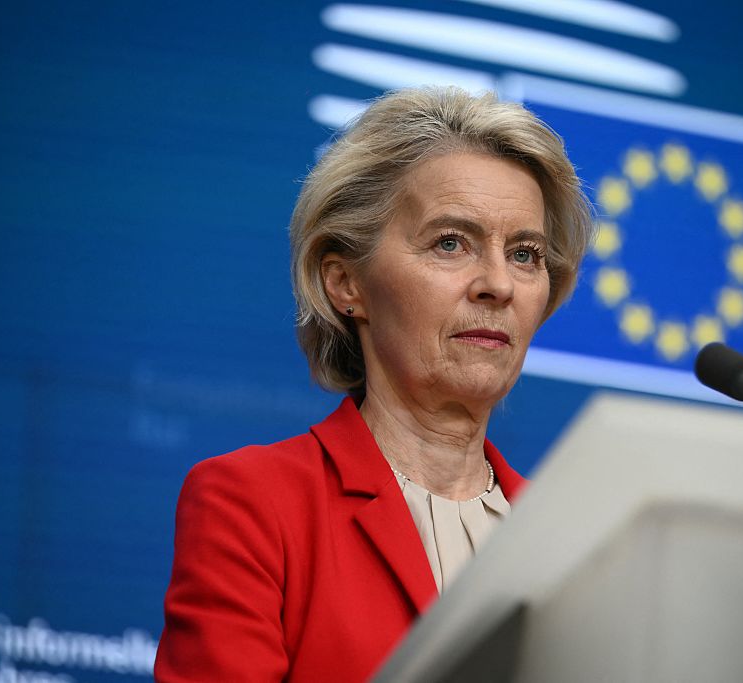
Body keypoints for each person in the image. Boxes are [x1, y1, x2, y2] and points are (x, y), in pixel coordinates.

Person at [154, 86, 592, 682]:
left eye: (524, 254)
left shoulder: (575, 541)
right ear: (345, 284)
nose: (499, 284)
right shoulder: (256, 505)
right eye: (450, 243)